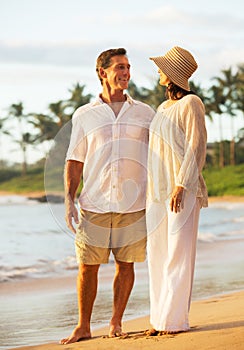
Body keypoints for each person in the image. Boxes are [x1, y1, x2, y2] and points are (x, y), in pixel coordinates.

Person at [60, 48, 155, 344]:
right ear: (103, 72)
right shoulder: (84, 115)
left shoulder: (145, 113)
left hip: (133, 204)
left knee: (125, 266)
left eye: (128, 67)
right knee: (87, 267)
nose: (126, 73)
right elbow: (75, 159)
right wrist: (68, 199)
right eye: (120, 67)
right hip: (94, 203)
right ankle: (83, 326)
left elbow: (157, 155)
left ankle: (116, 322)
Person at [146, 46, 208, 335]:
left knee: (178, 255)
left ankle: (174, 321)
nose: (158, 71)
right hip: (157, 193)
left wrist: (182, 184)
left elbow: (196, 147)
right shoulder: (162, 108)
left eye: (162, 67)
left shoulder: (192, 103)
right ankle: (159, 319)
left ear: (174, 73)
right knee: (157, 254)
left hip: (181, 191)